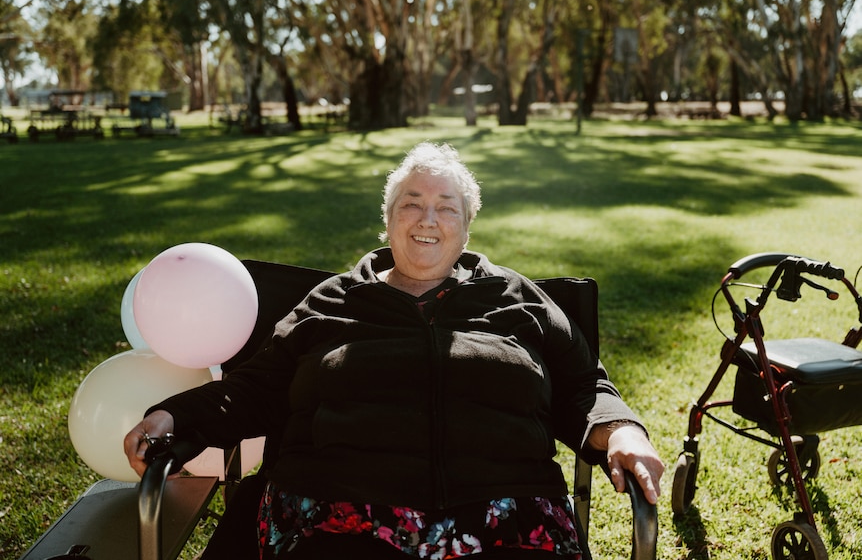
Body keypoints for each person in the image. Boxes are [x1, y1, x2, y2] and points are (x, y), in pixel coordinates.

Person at [124, 142, 664, 560]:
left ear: (467, 226)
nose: (428, 219)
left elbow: (583, 386)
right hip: (337, 511)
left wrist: (623, 432)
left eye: (446, 208)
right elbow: (255, 389)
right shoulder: (333, 300)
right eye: (412, 203)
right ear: (388, 220)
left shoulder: (517, 298)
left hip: (506, 515)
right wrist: (176, 415)